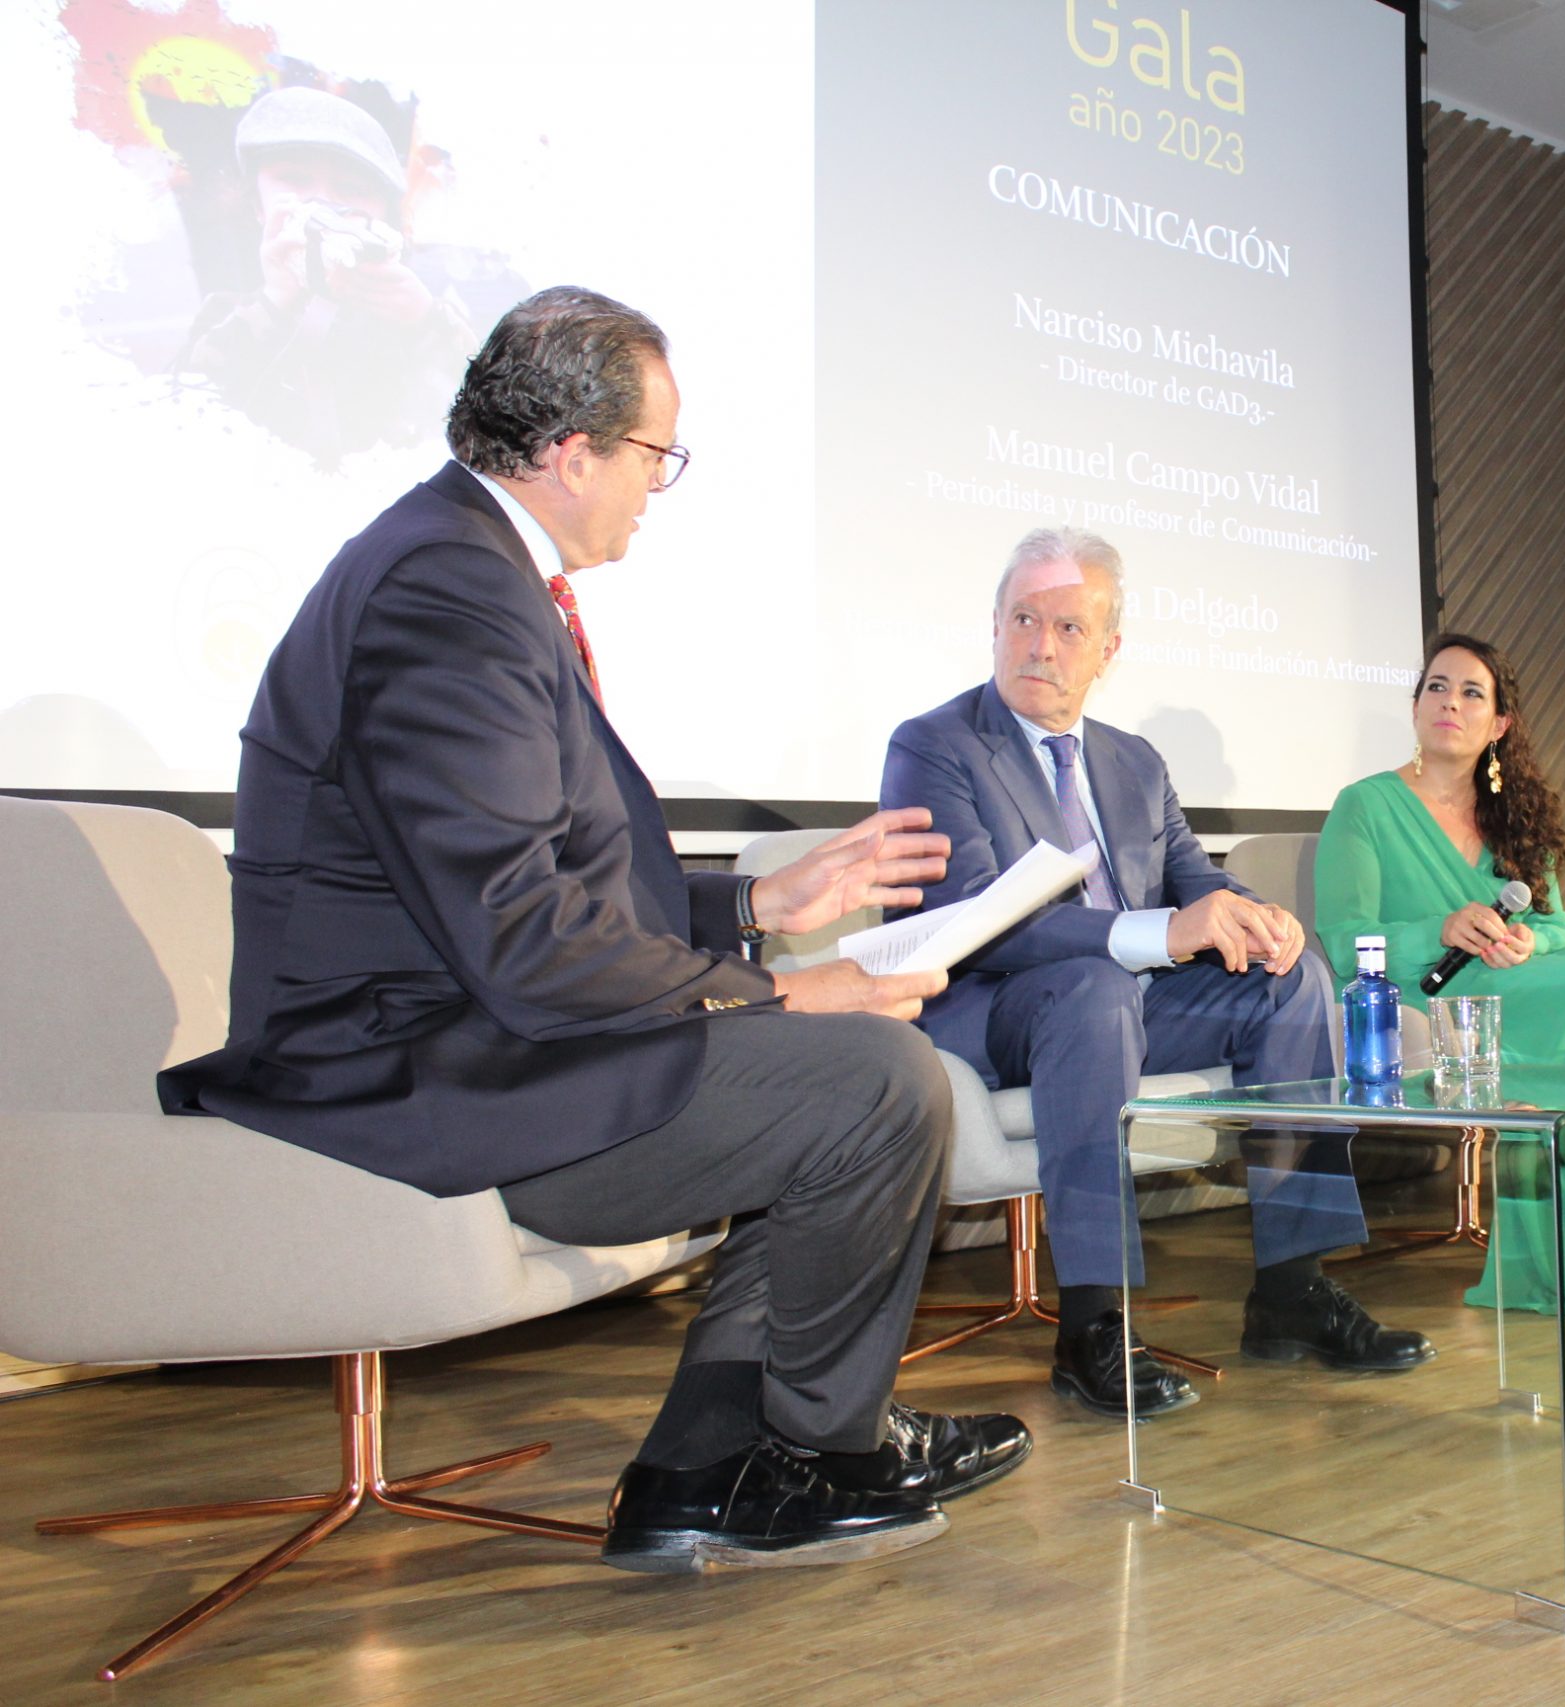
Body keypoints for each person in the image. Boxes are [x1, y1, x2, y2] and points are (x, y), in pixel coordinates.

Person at [159, 286, 1030, 1574]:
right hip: (414, 1068)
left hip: (477, 1029)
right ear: (571, 452)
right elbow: (518, 938)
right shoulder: (448, 590)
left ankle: (700, 1470)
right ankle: (810, 1455)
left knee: (839, 1083)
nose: (655, 490)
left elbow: (516, 890)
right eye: (654, 458)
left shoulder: (460, 563)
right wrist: (788, 992)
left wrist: (752, 907)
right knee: (873, 1081)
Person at [878, 527, 1433, 1419]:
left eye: (1066, 627)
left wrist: (1257, 916)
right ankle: (1094, 1323)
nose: (1040, 644)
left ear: (1108, 649)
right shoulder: (937, 745)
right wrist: (1162, 933)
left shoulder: (1132, 763)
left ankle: (1292, 1287)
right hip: (987, 1010)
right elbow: (977, 923)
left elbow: (1194, 879)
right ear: (993, 625)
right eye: (1023, 619)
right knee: (1096, 991)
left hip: (1121, 1005)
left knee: (1296, 978)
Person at [1313, 634, 1565, 1315]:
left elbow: (1560, 927)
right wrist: (1438, 929)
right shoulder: (1364, 806)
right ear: (1415, 707)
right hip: (1433, 997)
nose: (1451, 701)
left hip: (1518, 983)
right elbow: (1342, 938)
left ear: (1499, 724)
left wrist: (1528, 940)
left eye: (1472, 692)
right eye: (1437, 687)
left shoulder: (1517, 817)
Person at [177, 86, 480, 461]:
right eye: (293, 179)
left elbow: (504, 413)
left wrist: (426, 321)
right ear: (257, 204)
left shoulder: (423, 313)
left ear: (384, 212)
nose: (322, 203)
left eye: (350, 189)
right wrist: (273, 304)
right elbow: (184, 417)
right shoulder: (225, 317)